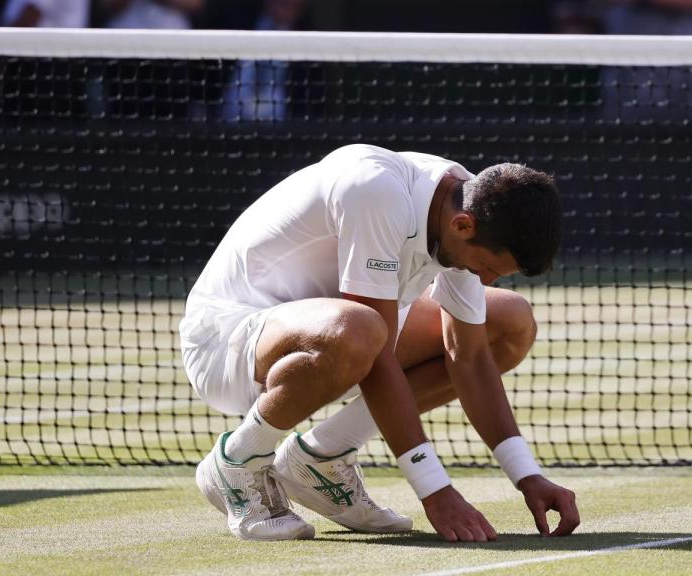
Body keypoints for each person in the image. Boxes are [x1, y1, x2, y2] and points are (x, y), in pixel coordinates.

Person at [180, 143, 580, 541]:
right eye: (489, 268)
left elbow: (470, 357)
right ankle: (240, 456)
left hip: (332, 334)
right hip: (227, 345)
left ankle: (321, 457)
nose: (486, 281)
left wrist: (527, 476)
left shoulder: (463, 203)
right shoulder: (376, 192)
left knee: (508, 323)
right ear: (462, 226)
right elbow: (377, 354)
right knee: (361, 330)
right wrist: (434, 489)